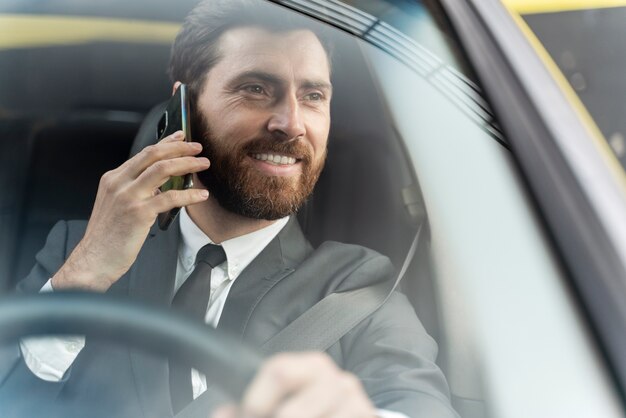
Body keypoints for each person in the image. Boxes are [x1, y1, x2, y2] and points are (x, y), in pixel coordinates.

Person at [0, 1, 458, 417]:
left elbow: (418, 406)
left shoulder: (361, 292)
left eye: (314, 96)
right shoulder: (76, 253)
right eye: (257, 88)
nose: (291, 123)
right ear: (185, 108)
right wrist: (86, 274)